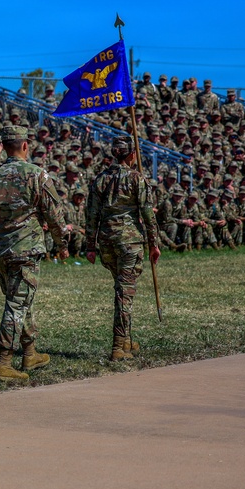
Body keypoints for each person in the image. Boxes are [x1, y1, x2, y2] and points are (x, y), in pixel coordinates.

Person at [0, 125, 69, 383]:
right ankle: (4, 363)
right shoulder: (37, 175)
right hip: (26, 250)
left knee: (22, 301)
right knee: (16, 304)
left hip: (2, 251)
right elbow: (54, 215)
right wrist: (62, 243)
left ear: (3, 146)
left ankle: (30, 353)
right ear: (25, 145)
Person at [85, 139, 160, 360]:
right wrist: (154, 243)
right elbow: (147, 213)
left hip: (107, 240)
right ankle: (119, 346)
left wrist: (90, 245)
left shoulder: (100, 179)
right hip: (129, 241)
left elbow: (91, 215)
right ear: (130, 156)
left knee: (123, 290)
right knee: (124, 293)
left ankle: (127, 340)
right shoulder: (137, 179)